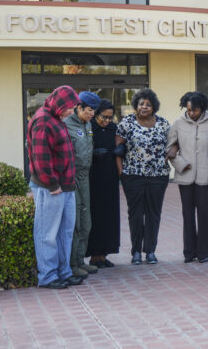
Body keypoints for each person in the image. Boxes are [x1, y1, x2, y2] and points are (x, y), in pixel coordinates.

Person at [27, 85, 84, 289]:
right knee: (47, 233)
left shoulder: (57, 119)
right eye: (69, 107)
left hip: (65, 187)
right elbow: (41, 158)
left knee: (64, 232)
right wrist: (52, 184)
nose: (71, 111)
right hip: (50, 187)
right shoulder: (43, 120)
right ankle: (48, 276)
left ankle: (63, 272)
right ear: (59, 103)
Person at [116, 89, 170, 266]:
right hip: (133, 176)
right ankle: (136, 252)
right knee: (136, 215)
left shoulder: (163, 124)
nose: (144, 107)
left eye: (148, 104)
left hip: (158, 176)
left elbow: (173, 143)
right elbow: (117, 149)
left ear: (154, 106)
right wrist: (121, 173)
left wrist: (171, 152)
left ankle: (151, 251)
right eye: (141, 104)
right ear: (136, 106)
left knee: (154, 214)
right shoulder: (127, 123)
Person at [167, 91, 208, 263]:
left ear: (202, 108)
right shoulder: (178, 123)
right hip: (185, 177)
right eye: (188, 110)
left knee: (204, 215)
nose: (191, 113)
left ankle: (203, 253)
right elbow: (170, 149)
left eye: (195, 110)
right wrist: (182, 164)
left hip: (205, 179)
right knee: (187, 215)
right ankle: (189, 252)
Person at [65, 91, 101, 278]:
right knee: (75, 220)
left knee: (86, 220)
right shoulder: (66, 126)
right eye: (88, 110)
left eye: (93, 111)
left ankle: (80, 261)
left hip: (85, 176)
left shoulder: (88, 125)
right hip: (71, 177)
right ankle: (71, 264)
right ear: (78, 107)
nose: (91, 114)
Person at [87, 100, 121, 268]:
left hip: (110, 177)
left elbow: (120, 145)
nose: (107, 121)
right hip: (93, 178)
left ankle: (104, 254)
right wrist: (93, 154)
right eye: (103, 117)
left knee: (109, 216)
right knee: (95, 215)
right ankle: (94, 254)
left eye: (110, 117)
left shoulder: (113, 128)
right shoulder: (89, 127)